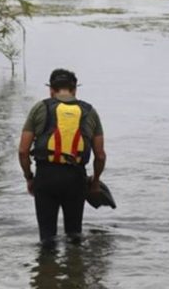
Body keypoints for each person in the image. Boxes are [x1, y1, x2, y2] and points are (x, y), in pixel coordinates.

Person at [18, 69, 106, 243]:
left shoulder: (40, 108)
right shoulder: (89, 112)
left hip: (46, 177)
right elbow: (100, 156)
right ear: (74, 90)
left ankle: (47, 268)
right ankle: (74, 267)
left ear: (51, 89)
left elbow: (23, 151)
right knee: (74, 237)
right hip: (75, 179)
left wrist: (29, 178)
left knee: (47, 238)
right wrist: (95, 182)